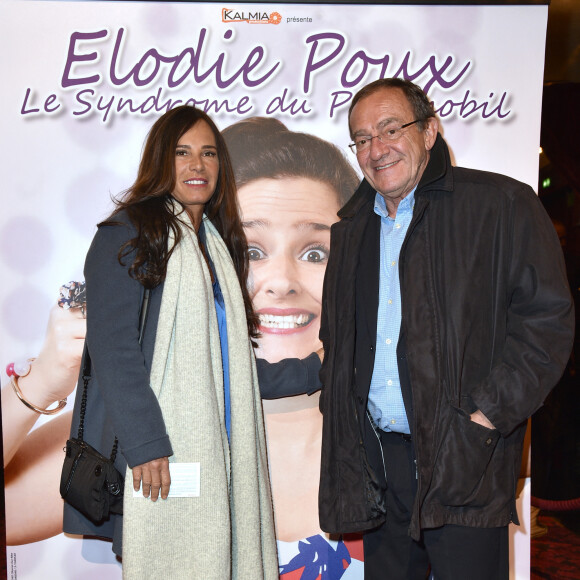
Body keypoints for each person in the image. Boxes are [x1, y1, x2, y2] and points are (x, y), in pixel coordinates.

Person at [317, 78, 575, 580]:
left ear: (430, 131)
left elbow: (547, 322)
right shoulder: (350, 229)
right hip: (379, 463)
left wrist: (485, 417)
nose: (377, 148)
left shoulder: (500, 205)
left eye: (390, 129)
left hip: (464, 459)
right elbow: (338, 336)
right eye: (363, 138)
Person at [57, 105, 277, 578]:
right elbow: (114, 349)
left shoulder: (215, 245)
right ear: (161, 160)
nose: (197, 166)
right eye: (182, 153)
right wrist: (147, 444)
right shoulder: (129, 232)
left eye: (209, 153)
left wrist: (319, 367)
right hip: (161, 453)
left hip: (224, 455)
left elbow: (227, 365)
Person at [223, 117, 364, 578]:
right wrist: (43, 383)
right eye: (250, 251)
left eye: (315, 253)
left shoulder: (396, 431)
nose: (281, 283)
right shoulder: (160, 422)